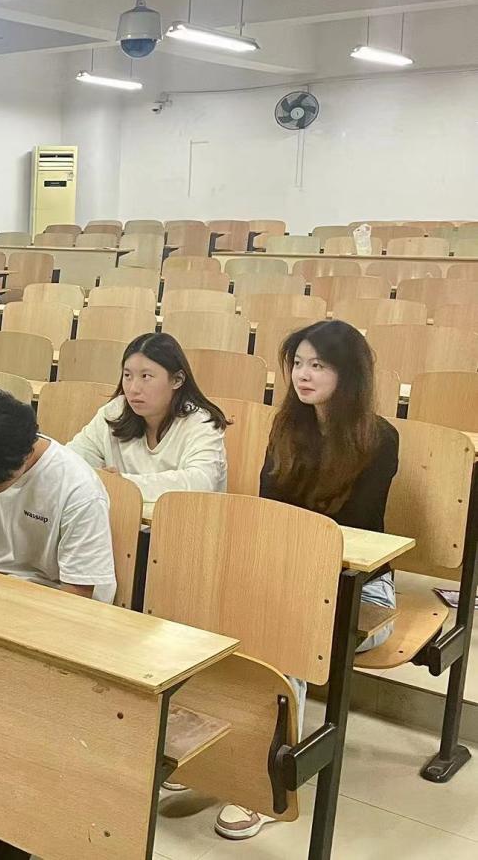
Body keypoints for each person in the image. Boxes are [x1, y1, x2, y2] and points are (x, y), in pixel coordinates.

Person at [214, 319, 399, 843]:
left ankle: (263, 777)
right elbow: (270, 510)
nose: (303, 374)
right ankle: (217, 750)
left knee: (286, 629)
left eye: (318, 365)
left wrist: (293, 565)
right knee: (212, 606)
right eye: (298, 363)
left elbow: (356, 528)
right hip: (287, 574)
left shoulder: (379, 439)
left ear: (348, 374)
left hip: (361, 588)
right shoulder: (286, 427)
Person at [0, 385, 118, 860]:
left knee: (13, 729)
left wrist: (9, 637)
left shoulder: (76, 488)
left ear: (22, 458)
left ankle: (1, 842)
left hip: (70, 624)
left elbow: (79, 599)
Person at [68, 332, 228, 517]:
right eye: (127, 375)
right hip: (118, 525)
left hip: (184, 527)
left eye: (146, 376)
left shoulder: (202, 424)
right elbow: (71, 461)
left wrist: (123, 484)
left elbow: (201, 482)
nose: (133, 388)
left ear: (177, 380)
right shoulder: (115, 412)